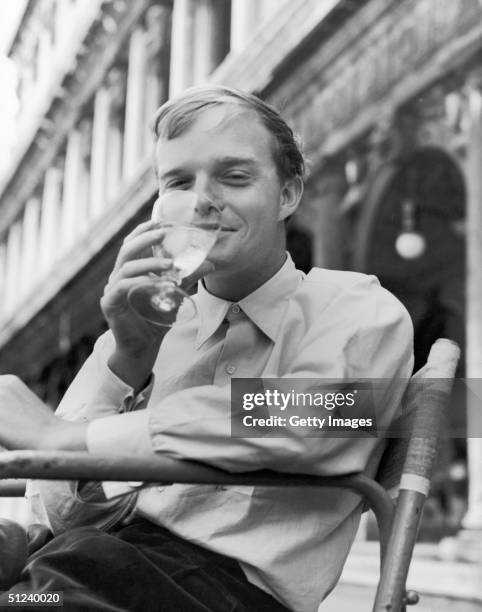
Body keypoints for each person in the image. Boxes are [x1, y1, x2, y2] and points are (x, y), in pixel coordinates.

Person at [0, 86, 414, 612]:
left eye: (234, 176)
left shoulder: (356, 306)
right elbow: (60, 517)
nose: (201, 200)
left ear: (288, 194)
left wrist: (59, 435)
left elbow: (310, 421)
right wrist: (125, 363)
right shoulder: (143, 327)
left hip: (217, 592)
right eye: (178, 181)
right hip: (79, 570)